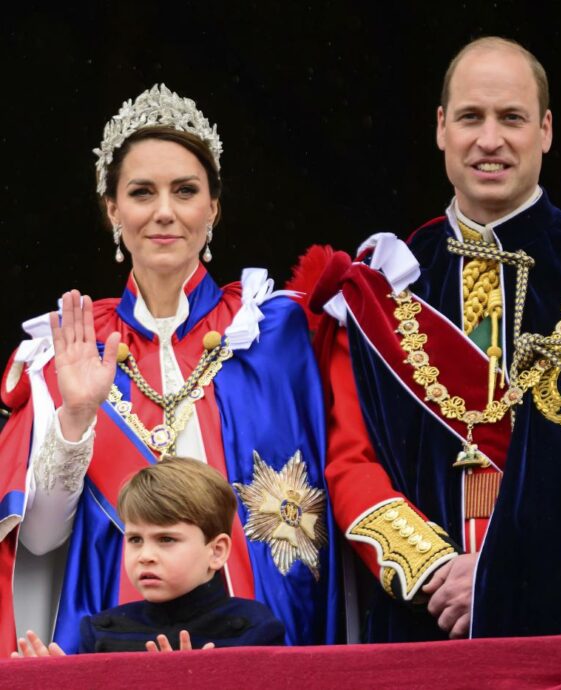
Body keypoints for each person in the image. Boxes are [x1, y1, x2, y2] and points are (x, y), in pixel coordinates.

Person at [307, 37, 561, 641]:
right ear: (441, 128)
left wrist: (500, 578)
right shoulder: (381, 289)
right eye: (470, 118)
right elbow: (352, 462)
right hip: (426, 623)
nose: (490, 140)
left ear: (545, 129)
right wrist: (435, 573)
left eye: (511, 117)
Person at [0, 84, 339, 656]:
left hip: (260, 640)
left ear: (213, 208)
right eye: (141, 192)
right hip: (113, 640)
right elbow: (37, 544)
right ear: (113, 209)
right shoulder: (69, 348)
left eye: (185, 191)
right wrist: (77, 417)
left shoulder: (278, 332)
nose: (164, 212)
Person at [13, 456, 285, 655]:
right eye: (135, 539)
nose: (145, 555)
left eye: (166, 539)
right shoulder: (101, 632)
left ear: (216, 551)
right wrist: (63, 683)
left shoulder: (254, 630)